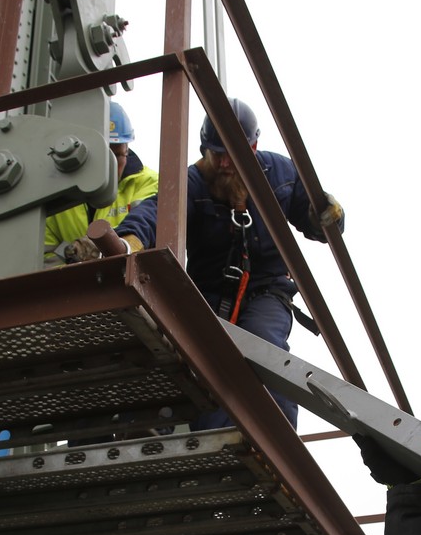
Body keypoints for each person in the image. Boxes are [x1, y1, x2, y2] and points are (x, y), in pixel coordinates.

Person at [115, 98, 344, 430]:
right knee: (206, 366)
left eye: (232, 153)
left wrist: (327, 215)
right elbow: (156, 212)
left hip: (267, 291)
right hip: (207, 294)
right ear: (204, 150)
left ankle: (278, 438)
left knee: (265, 349)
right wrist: (130, 241)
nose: (224, 163)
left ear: (253, 148)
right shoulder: (193, 182)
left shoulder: (279, 174)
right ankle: (211, 441)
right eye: (216, 154)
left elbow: (315, 218)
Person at [45, 100, 158, 263]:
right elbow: (42, 257)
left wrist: (100, 247)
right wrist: (71, 257)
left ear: (127, 149)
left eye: (117, 155)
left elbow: (148, 231)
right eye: (103, 156)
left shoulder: (148, 183)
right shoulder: (53, 193)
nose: (111, 165)